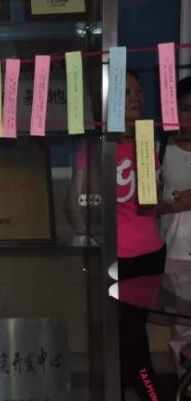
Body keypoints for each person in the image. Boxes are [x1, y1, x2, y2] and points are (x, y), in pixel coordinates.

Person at [67, 71, 164, 401]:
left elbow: (150, 203)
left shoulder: (146, 140)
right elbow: (76, 209)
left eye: (139, 91)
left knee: (130, 339)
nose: (137, 98)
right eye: (127, 92)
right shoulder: (97, 148)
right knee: (123, 339)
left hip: (146, 255)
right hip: (115, 258)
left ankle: (150, 395)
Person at [157, 76, 191, 377]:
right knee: (181, 325)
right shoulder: (160, 149)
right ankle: (185, 385)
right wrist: (172, 206)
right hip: (174, 249)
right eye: (185, 108)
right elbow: (146, 203)